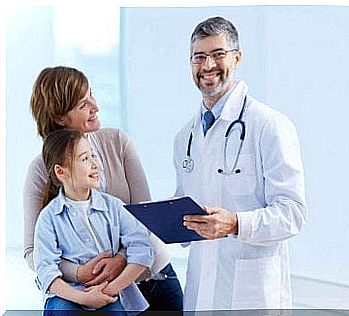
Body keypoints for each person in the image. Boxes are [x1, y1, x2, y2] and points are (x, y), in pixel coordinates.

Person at [174, 16, 307, 310]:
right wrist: (166, 221)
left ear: (237, 57)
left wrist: (235, 223)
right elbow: (188, 203)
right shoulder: (186, 136)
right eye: (199, 57)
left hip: (252, 295)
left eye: (218, 54)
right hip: (200, 295)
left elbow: (292, 213)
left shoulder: (269, 125)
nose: (208, 65)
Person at [24, 66, 183, 311]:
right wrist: (79, 272)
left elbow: (145, 216)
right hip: (93, 296)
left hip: (152, 279)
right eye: (82, 105)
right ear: (59, 118)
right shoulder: (40, 170)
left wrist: (120, 260)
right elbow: (33, 252)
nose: (95, 106)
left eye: (92, 94)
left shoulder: (118, 142)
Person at [35, 128, 153, 314]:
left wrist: (108, 290)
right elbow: (45, 272)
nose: (94, 164)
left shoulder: (115, 207)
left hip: (110, 292)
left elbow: (142, 251)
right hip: (67, 296)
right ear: (61, 171)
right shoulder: (48, 218)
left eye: (93, 156)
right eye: (84, 159)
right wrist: (84, 297)